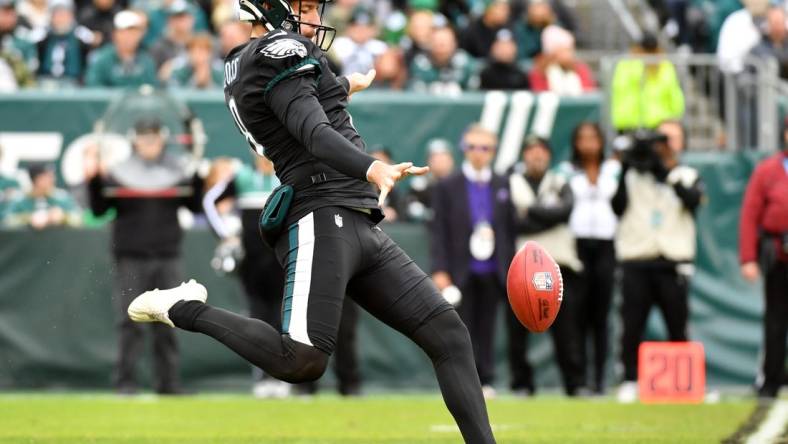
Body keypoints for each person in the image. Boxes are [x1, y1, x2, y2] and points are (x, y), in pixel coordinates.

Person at [126, 1, 495, 442]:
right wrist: (371, 167)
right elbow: (313, 132)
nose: (315, 19)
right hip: (321, 211)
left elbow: (297, 108)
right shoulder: (275, 52)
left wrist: (341, 88)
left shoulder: (260, 60)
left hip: (355, 217)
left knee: (449, 335)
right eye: (302, 6)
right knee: (301, 359)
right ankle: (185, 308)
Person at [86, 118, 204, 395]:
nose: (149, 143)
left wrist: (197, 174)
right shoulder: (120, 173)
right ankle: (125, 382)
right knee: (129, 321)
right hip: (130, 256)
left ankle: (168, 384)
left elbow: (195, 205)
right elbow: (99, 209)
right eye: (143, 137)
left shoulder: (175, 171)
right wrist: (94, 178)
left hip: (167, 255)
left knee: (170, 320)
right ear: (134, 140)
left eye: (153, 137)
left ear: (162, 139)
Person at [430, 124, 526, 399]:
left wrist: (511, 269)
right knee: (459, 329)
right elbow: (438, 230)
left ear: (493, 151)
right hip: (461, 270)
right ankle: (460, 381)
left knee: (487, 328)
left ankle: (485, 381)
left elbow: (509, 230)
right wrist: (440, 269)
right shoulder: (448, 185)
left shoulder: (501, 183)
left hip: (494, 269)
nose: (478, 153)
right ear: (464, 149)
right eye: (472, 147)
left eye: (484, 148)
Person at [611, 125, 704, 403]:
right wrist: (627, 167)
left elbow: (693, 200)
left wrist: (664, 173)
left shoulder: (685, 173)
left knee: (678, 323)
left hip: (672, 260)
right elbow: (616, 207)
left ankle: (685, 381)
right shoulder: (631, 175)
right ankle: (629, 378)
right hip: (637, 259)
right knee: (632, 325)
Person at [510, 135, 586, 396]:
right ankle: (522, 383)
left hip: (558, 266)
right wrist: (546, 215)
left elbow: (565, 211)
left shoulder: (560, 182)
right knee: (518, 331)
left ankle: (574, 383)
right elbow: (512, 221)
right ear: (524, 155)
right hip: (520, 270)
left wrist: (529, 210)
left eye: (541, 150)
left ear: (549, 155)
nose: (537, 155)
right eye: (531, 150)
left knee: (567, 331)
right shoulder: (513, 182)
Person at [558, 122, 619, 394]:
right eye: (582, 138)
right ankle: (578, 378)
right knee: (576, 314)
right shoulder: (567, 171)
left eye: (593, 138)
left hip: (606, 243)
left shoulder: (613, 169)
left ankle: (600, 379)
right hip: (577, 246)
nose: (588, 144)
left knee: (601, 315)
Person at [739, 118, 788, 399]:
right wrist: (748, 257)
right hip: (778, 254)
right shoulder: (767, 170)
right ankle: (771, 379)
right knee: (776, 320)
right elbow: (749, 215)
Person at [611, 33, 685, 132]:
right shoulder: (664, 66)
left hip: (656, 123)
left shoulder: (625, 65)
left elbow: (674, 94)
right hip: (630, 122)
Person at [84, 10, 158, 88]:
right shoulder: (102, 59)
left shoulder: (146, 60)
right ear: (115, 34)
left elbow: (152, 88)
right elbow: (94, 87)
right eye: (124, 32)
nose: (129, 37)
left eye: (133, 32)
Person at [3, 162, 81, 228]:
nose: (52, 180)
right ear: (36, 180)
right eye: (47, 177)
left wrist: (63, 217)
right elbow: (6, 220)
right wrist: (29, 218)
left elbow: (79, 219)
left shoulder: (62, 198)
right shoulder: (20, 199)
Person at [529, 25, 595, 95]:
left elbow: (589, 91)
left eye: (569, 50)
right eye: (564, 50)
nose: (569, 55)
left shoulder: (580, 69)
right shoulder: (539, 72)